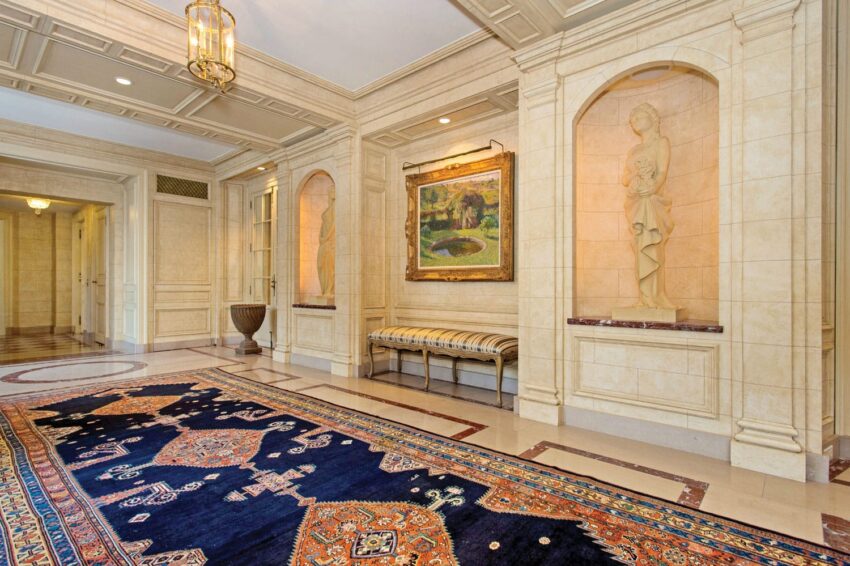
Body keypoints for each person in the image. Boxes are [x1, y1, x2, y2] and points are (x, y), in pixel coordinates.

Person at [621, 102, 675, 309]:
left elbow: (662, 172)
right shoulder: (634, 150)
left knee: (653, 245)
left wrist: (653, 187)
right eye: (632, 120)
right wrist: (636, 176)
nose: (634, 121)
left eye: (639, 117)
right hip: (635, 201)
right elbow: (624, 179)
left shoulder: (662, 142)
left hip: (652, 201)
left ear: (653, 119)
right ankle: (644, 298)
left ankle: (657, 296)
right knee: (639, 247)